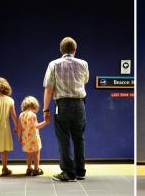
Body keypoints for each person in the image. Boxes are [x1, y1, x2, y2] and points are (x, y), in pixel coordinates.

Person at [43, 37, 89, 181]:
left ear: (61, 50)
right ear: (75, 50)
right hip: (80, 104)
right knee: (79, 138)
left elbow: (49, 88)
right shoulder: (83, 64)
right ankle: (80, 171)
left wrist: (45, 109)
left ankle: (68, 173)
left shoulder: (54, 64)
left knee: (63, 138)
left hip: (62, 106)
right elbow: (85, 81)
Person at [18, 96, 49, 176]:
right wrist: (46, 122)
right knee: (36, 153)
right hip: (34, 138)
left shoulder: (21, 115)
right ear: (34, 105)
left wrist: (19, 137)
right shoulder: (33, 115)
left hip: (25, 138)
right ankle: (36, 169)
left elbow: (19, 128)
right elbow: (36, 126)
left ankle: (28, 169)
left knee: (29, 154)